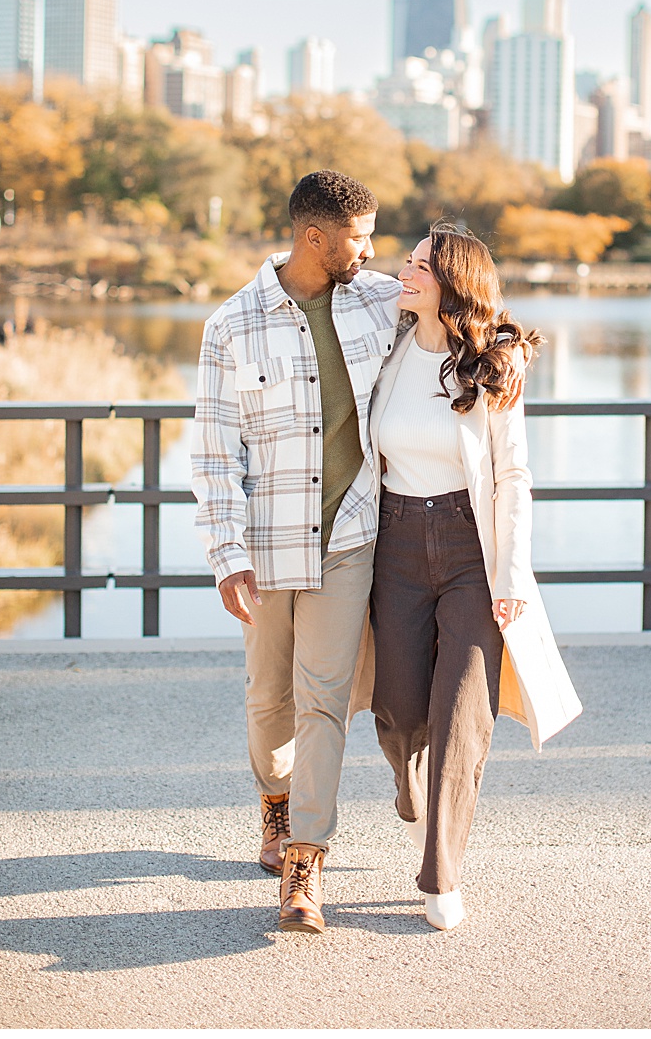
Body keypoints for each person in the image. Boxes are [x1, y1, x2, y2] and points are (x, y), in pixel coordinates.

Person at [194, 169, 402, 934]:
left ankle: (304, 864)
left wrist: (504, 348)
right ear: (314, 237)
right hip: (268, 542)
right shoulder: (232, 325)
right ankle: (274, 805)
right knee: (269, 702)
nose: (370, 248)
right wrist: (226, 554)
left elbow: (464, 313)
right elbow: (214, 454)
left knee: (323, 701)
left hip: (350, 537)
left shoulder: (382, 300)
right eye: (358, 235)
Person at [366, 223, 581, 931]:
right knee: (398, 709)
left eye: (420, 264)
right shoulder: (388, 338)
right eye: (407, 260)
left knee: (464, 713)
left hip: (469, 551)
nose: (405, 269)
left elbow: (513, 475)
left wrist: (511, 572)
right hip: (393, 545)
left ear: (451, 282)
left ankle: (441, 875)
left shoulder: (492, 365)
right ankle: (409, 784)